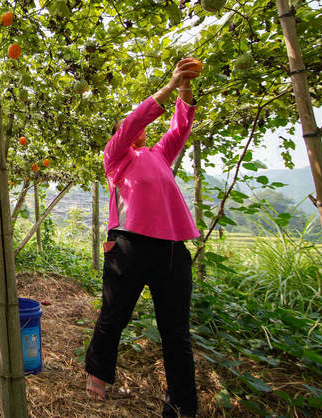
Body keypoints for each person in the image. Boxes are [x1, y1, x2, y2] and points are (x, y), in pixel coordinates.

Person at [85, 58, 202, 417]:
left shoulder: (159, 155)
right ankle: (98, 376)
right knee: (113, 315)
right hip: (129, 246)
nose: (139, 125)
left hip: (171, 249)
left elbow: (180, 128)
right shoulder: (115, 156)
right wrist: (167, 87)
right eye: (131, 122)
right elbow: (136, 119)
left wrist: (184, 85)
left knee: (176, 330)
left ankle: (181, 403)